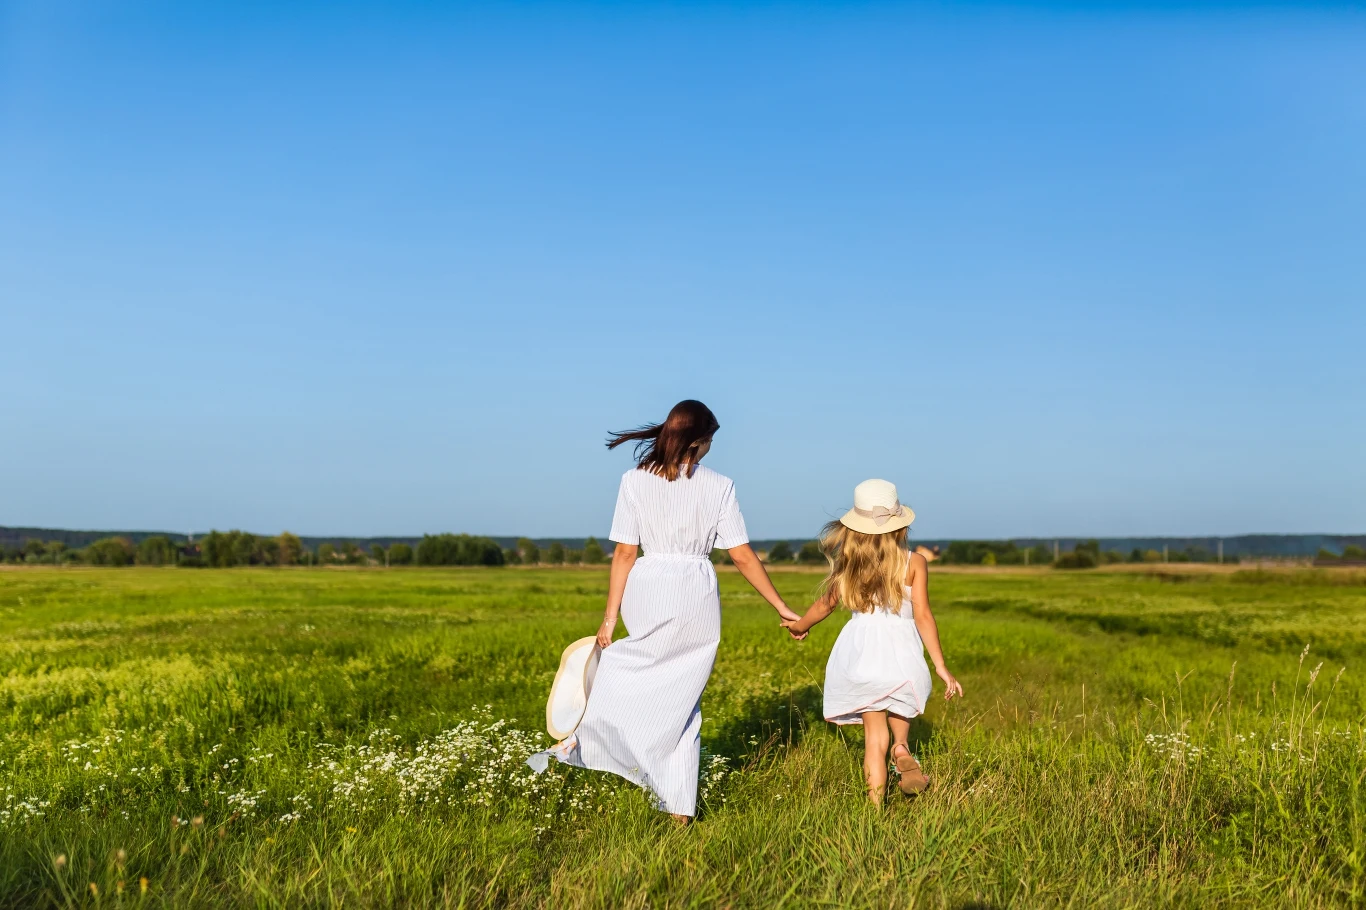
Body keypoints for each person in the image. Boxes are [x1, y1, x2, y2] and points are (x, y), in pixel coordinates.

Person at [528, 399, 800, 821]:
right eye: (709, 441)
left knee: (630, 664)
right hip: (695, 590)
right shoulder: (720, 485)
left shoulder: (633, 481)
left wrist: (608, 617)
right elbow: (742, 556)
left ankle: (586, 736)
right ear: (696, 442)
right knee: (683, 700)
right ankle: (674, 803)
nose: (710, 448)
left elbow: (623, 552)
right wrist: (781, 606)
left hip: (648, 583)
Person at [782, 479, 963, 806]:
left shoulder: (848, 564)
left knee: (872, 740)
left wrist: (799, 625)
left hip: (861, 657)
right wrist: (941, 667)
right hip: (901, 654)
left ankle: (875, 811)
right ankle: (902, 749)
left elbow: (825, 605)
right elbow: (923, 615)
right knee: (897, 706)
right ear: (899, 527)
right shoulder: (914, 562)